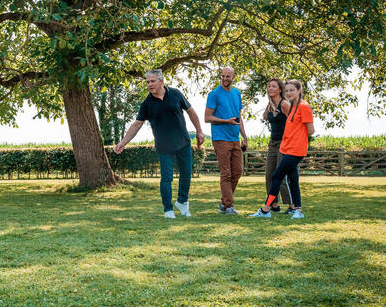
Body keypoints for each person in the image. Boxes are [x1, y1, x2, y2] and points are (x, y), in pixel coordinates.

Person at [114, 69, 205, 218]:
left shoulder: (175, 94)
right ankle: (168, 209)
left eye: (152, 81)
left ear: (161, 81)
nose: (149, 84)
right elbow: (137, 124)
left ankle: (182, 202)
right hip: (164, 147)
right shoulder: (147, 104)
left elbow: (191, 111)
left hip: (183, 143)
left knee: (187, 174)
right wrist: (123, 142)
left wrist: (199, 131)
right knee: (167, 178)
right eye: (147, 82)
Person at [249, 79, 314, 219]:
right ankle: (297, 209)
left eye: (292, 90)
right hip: (287, 148)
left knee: (277, 176)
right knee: (293, 179)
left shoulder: (304, 106)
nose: (289, 93)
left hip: (296, 150)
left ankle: (266, 210)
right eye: (287, 90)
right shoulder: (292, 107)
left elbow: (310, 131)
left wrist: (296, 139)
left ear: (299, 91)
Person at [204, 66, 247, 215]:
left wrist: (245, 136)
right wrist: (225, 121)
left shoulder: (237, 94)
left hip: (235, 138)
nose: (225, 79)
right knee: (226, 173)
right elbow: (207, 117)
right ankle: (229, 206)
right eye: (223, 76)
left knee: (237, 172)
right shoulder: (214, 94)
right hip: (220, 138)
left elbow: (238, 116)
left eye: (228, 76)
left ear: (234, 77)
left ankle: (224, 203)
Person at [261, 77, 294, 213]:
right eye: (269, 86)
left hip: (284, 143)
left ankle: (292, 206)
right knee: (269, 176)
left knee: (280, 176)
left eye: (273, 86)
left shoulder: (284, 104)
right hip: (272, 143)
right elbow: (264, 117)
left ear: (280, 89)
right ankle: (274, 204)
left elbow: (294, 122)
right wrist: (270, 106)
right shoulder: (271, 105)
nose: (270, 88)